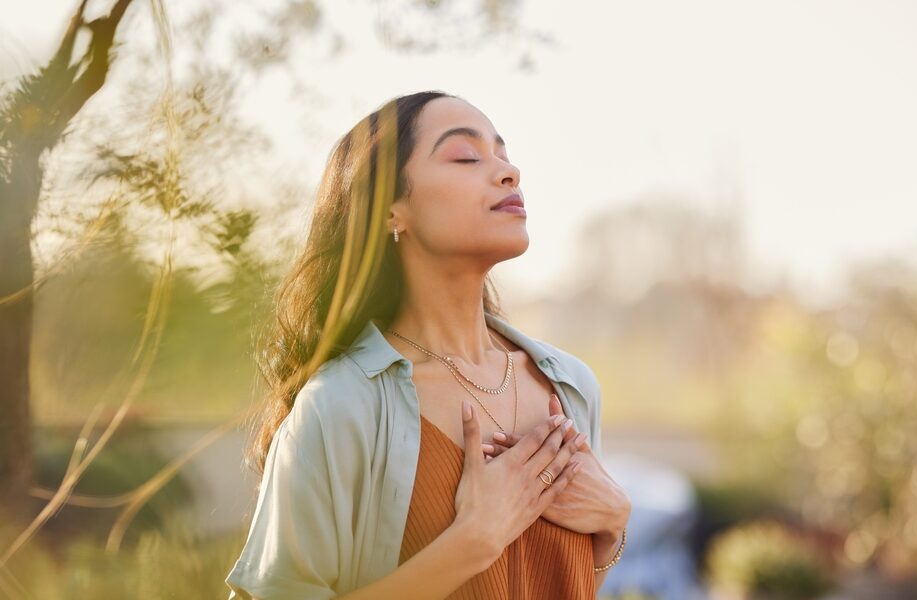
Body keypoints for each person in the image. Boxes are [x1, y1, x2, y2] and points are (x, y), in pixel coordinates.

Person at [224, 90, 632, 599]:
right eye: (466, 156)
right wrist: (469, 544)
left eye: (504, 155)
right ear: (392, 211)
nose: (509, 172)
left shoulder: (571, 386)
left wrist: (612, 528)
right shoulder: (341, 406)